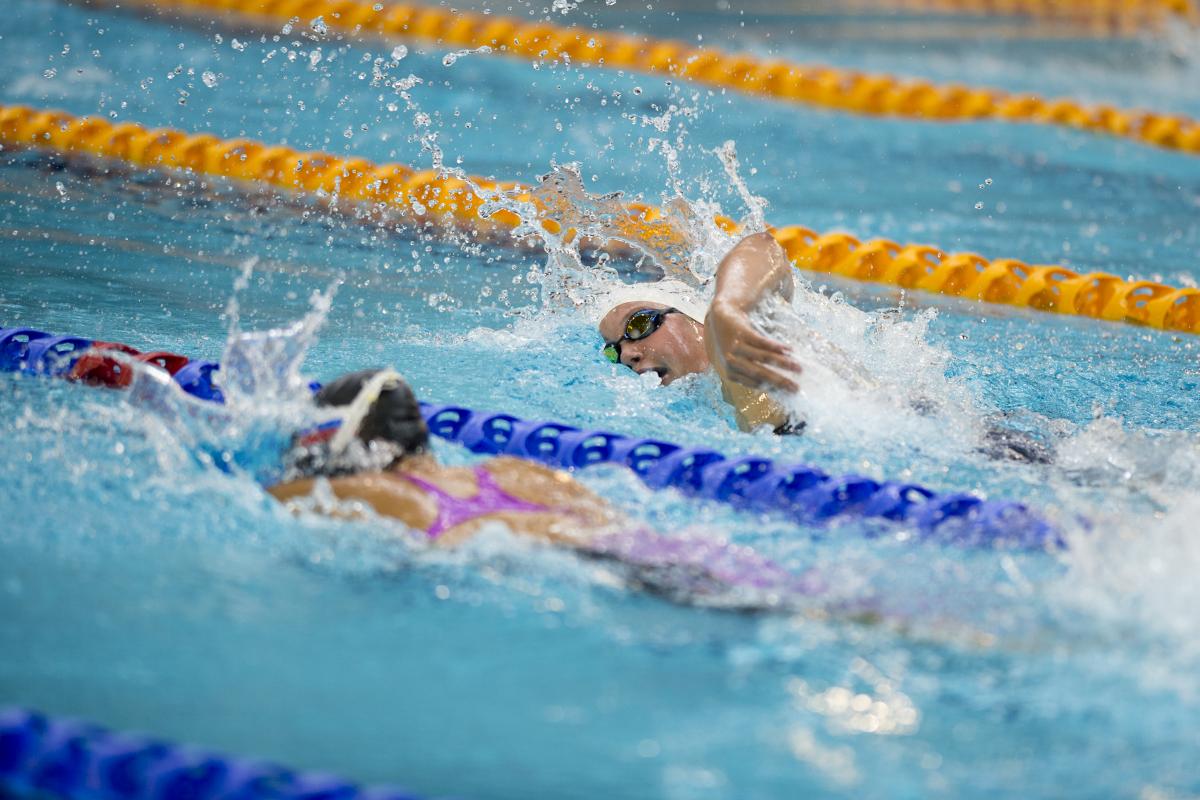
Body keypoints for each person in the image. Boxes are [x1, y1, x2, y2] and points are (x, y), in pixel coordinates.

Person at [268, 368, 823, 610]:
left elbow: (265, 497)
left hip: (610, 574)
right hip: (676, 551)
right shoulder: (512, 470)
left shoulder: (378, 492)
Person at [598, 232, 803, 434]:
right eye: (613, 351)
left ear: (690, 318)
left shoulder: (744, 337)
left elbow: (764, 247)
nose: (626, 355)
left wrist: (728, 306)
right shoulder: (694, 416)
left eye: (637, 325)